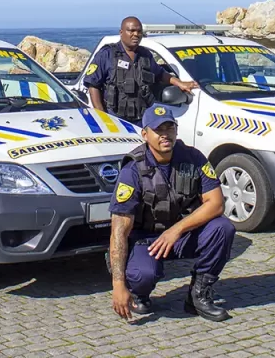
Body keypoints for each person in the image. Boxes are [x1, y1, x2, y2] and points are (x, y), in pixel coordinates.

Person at [108, 104, 236, 322]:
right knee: (143, 275)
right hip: (146, 240)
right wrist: (118, 285)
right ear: (145, 134)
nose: (165, 135)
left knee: (223, 228)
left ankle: (198, 295)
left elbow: (216, 204)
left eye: (170, 128)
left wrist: (176, 230)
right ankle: (138, 290)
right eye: (159, 130)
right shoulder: (133, 171)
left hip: (181, 235)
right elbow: (119, 231)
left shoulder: (194, 158)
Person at [84, 17, 197, 124]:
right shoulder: (107, 54)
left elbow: (160, 74)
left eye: (139, 31)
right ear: (121, 32)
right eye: (131, 31)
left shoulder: (145, 55)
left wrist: (180, 83)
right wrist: (102, 117)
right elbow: (93, 86)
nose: (136, 35)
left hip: (142, 118)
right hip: (115, 118)